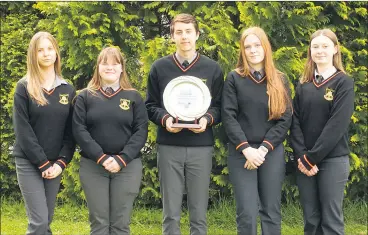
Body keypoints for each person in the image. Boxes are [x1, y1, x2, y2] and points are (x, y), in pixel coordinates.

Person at [145, 13, 224, 235]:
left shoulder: (212, 69)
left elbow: (220, 107)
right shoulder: (159, 68)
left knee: (198, 211)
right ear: (172, 36)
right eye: (178, 32)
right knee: (170, 211)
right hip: (169, 145)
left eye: (188, 32)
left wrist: (207, 120)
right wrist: (165, 119)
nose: (184, 37)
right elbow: (150, 105)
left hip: (201, 146)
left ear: (197, 34)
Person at [222, 27, 292, 235]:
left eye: (257, 45)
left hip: (270, 152)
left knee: (271, 210)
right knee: (247, 211)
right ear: (242, 51)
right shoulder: (234, 78)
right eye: (247, 46)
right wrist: (247, 150)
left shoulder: (280, 79)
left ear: (265, 47)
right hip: (241, 153)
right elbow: (229, 116)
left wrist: (262, 150)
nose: (253, 50)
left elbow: (285, 119)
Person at [72, 47, 148, 235]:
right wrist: (102, 158)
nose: (110, 67)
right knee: (99, 223)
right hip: (93, 166)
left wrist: (122, 159)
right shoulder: (85, 96)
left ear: (122, 68)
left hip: (127, 167)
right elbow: (79, 130)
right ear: (98, 67)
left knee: (120, 224)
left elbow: (141, 131)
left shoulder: (133, 97)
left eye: (115, 63)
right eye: (105, 63)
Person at [290, 29, 354, 235]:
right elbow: (295, 121)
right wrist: (302, 156)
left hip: (333, 160)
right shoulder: (303, 84)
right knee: (311, 220)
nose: (320, 51)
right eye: (315, 46)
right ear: (310, 51)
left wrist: (312, 158)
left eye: (325, 46)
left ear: (335, 49)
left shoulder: (344, 82)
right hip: (304, 162)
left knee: (331, 221)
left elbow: (336, 126)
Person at [12, 31, 76, 235]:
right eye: (41, 50)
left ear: (56, 52)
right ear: (34, 55)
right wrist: (42, 163)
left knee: (46, 221)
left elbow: (70, 132)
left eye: (50, 49)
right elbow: (23, 130)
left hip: (55, 165)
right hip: (29, 162)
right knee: (38, 223)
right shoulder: (24, 87)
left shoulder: (67, 89)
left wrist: (61, 163)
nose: (46, 54)